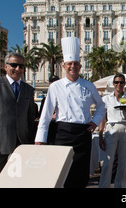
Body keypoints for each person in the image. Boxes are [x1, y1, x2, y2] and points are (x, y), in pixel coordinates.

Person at [35, 37, 105, 188]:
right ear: (63, 66)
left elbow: (101, 106)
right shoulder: (56, 86)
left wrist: (95, 122)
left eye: (76, 64)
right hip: (63, 133)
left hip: (82, 133)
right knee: (62, 173)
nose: (73, 66)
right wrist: (40, 138)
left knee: (81, 175)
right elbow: (46, 114)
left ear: (80, 66)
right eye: (69, 64)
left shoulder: (89, 85)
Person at [0, 52, 36, 188]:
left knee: (17, 181)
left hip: (21, 144)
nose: (17, 69)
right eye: (14, 65)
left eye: (21, 66)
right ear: (5, 66)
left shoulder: (28, 89)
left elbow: (30, 117)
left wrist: (30, 141)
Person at [98, 73, 126, 188]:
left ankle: (120, 186)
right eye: (117, 82)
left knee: (123, 162)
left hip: (125, 127)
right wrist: (100, 136)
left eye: (121, 82)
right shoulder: (106, 98)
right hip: (112, 127)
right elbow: (102, 118)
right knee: (108, 162)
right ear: (113, 84)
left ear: (125, 84)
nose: (119, 84)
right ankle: (104, 186)